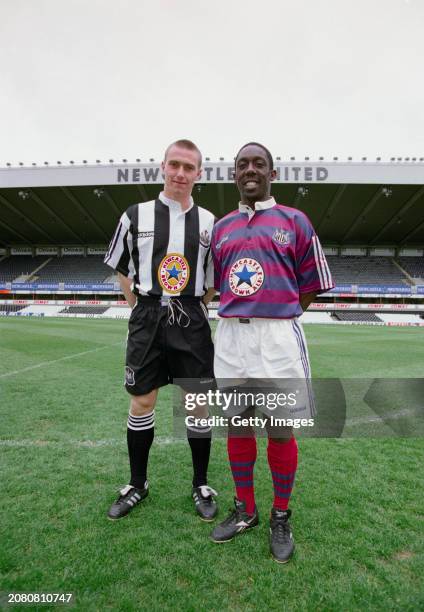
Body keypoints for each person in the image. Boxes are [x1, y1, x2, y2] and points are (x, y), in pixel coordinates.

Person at [209, 142, 334, 562]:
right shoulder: (222, 229)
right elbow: (215, 284)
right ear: (233, 175)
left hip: (277, 338)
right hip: (230, 338)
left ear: (272, 174)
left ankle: (281, 514)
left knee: (280, 427)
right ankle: (246, 510)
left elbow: (312, 283)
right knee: (238, 425)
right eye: (242, 164)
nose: (250, 170)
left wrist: (282, 313)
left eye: (258, 164)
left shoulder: (295, 221)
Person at [104, 139, 218, 522]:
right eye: (175, 165)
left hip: (191, 315)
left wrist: (197, 308)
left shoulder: (209, 222)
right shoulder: (135, 215)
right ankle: (138, 483)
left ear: (199, 174)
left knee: (196, 403)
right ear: (163, 167)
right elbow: (121, 267)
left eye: (189, 168)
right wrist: (139, 307)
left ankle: (201, 483)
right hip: (148, 314)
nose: (180, 173)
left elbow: (212, 279)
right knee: (142, 402)